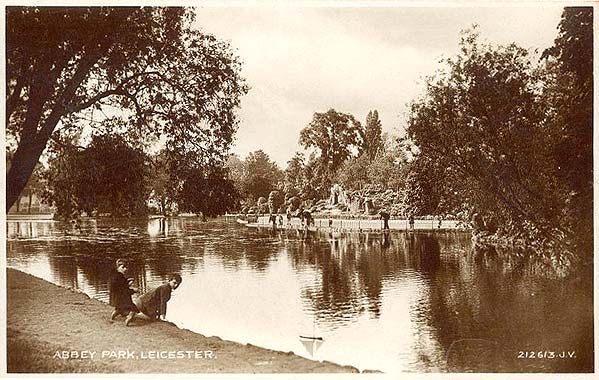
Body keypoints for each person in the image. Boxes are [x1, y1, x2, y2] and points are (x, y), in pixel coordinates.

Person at [109, 259, 139, 326]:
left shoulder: (116, 276)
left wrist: (128, 282)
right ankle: (128, 319)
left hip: (116, 298)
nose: (125, 269)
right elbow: (124, 290)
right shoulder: (120, 277)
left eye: (125, 267)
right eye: (123, 267)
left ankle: (113, 316)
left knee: (119, 309)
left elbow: (120, 286)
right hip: (122, 298)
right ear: (118, 267)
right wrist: (134, 290)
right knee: (134, 309)